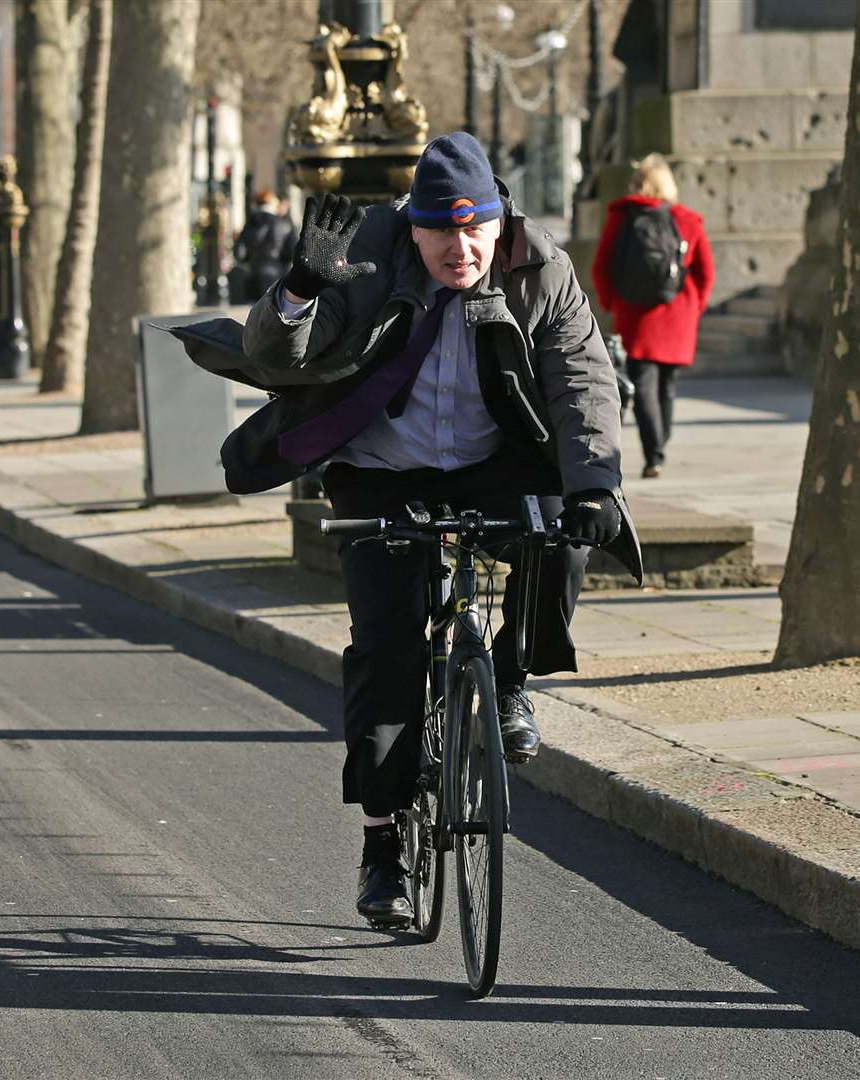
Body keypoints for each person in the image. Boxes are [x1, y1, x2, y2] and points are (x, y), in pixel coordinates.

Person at [177, 131, 641, 929]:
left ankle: (506, 682)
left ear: (499, 222)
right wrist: (295, 291)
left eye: (475, 231)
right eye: (440, 233)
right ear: (412, 226)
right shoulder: (364, 254)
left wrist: (593, 484)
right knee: (387, 654)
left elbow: (580, 381)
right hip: (379, 470)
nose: (460, 250)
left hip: (495, 460)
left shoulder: (540, 267)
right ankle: (383, 842)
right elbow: (276, 357)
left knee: (562, 538)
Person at [591, 153, 714, 479]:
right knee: (667, 387)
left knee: (642, 384)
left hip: (635, 314)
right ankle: (660, 446)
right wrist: (695, 306)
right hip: (678, 312)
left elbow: (602, 266)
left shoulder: (623, 217)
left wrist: (610, 303)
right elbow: (705, 271)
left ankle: (654, 453)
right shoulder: (688, 220)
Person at [234, 190, 296, 303]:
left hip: (253, 276)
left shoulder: (249, 224)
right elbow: (291, 253)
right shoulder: (284, 224)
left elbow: (239, 253)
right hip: (277, 277)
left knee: (253, 315)